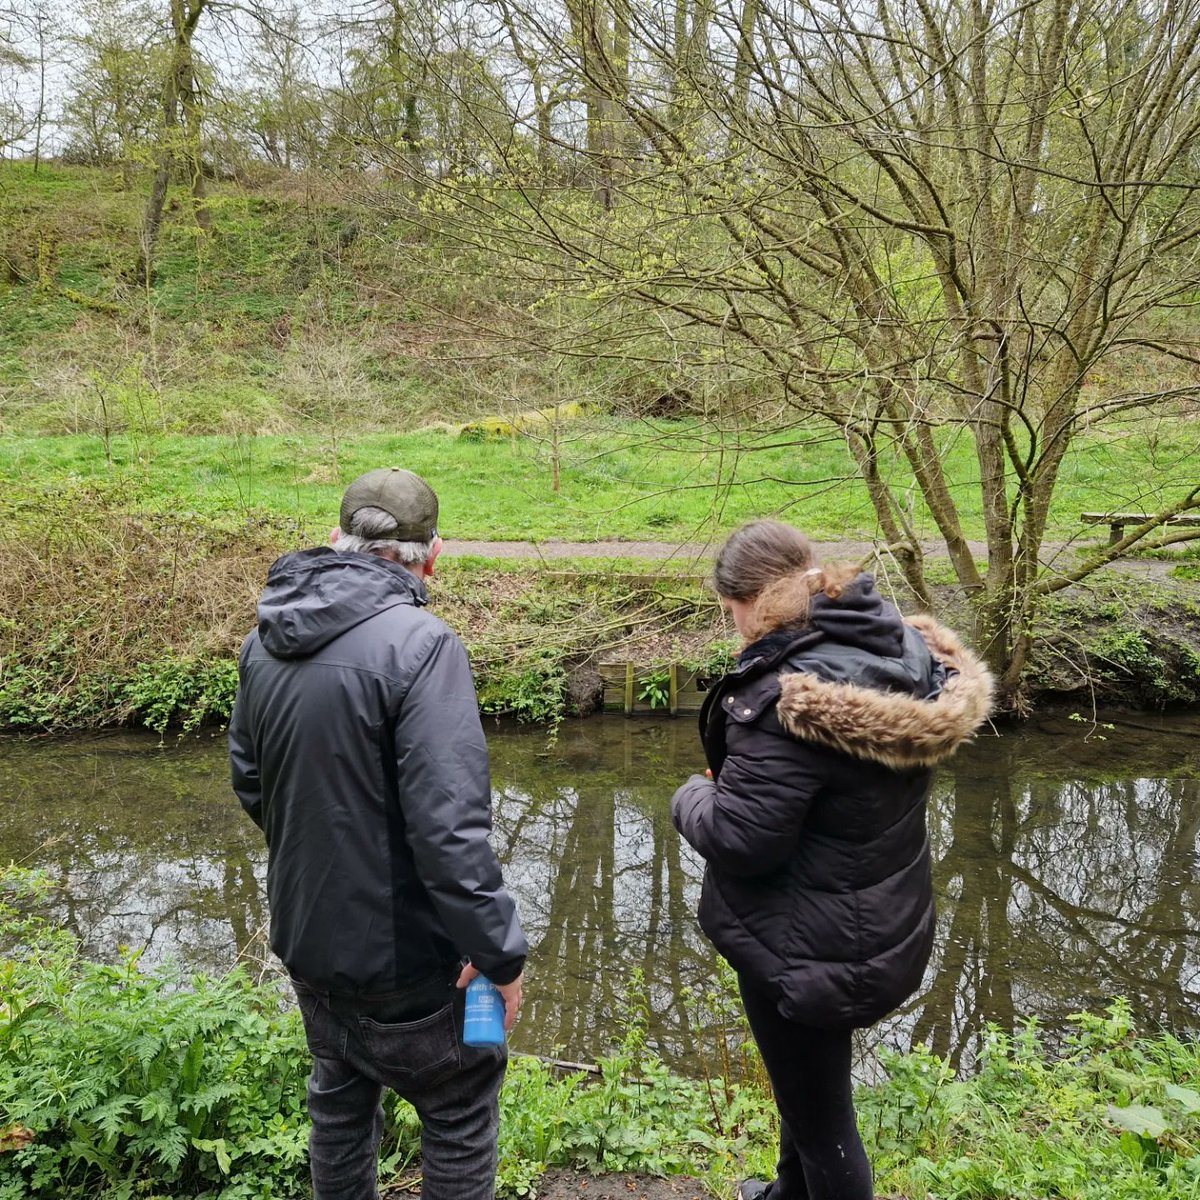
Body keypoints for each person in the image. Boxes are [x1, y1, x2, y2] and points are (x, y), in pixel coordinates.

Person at [670, 520, 993, 1200]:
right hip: (872, 918)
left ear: (754, 601)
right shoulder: (890, 646)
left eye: (729, 608)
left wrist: (692, 795)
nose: (729, 623)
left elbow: (741, 839)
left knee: (824, 1126)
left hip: (805, 941)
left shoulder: (789, 701)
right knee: (808, 1089)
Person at [229, 467, 528, 1200]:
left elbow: (252, 783)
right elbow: (449, 832)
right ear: (433, 556)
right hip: (407, 957)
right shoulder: (423, 646)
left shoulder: (263, 640)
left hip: (308, 939)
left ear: (336, 540)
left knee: (338, 1094)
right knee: (457, 1109)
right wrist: (500, 953)